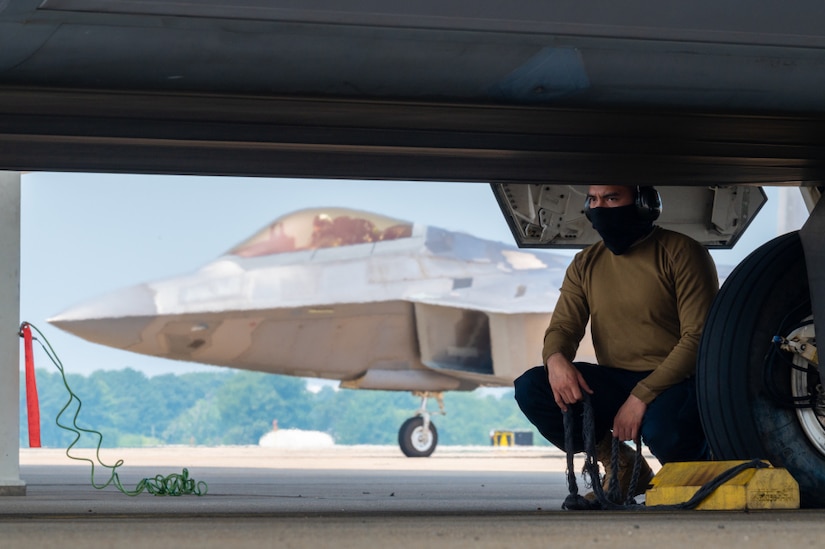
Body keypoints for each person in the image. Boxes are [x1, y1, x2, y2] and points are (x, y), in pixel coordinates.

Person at [514, 185, 718, 500]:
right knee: (533, 387)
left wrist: (641, 397)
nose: (600, 208)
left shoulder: (682, 252)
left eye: (611, 198)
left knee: (664, 432)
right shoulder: (586, 262)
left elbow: (698, 337)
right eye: (593, 200)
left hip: (678, 380)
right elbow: (564, 326)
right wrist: (555, 360)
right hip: (618, 379)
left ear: (644, 204)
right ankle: (622, 465)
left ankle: (696, 470)